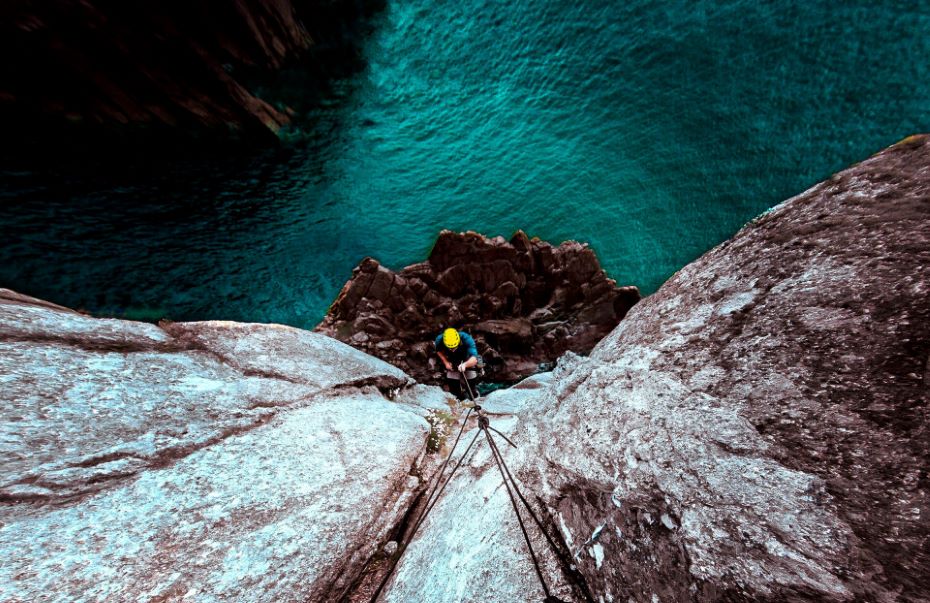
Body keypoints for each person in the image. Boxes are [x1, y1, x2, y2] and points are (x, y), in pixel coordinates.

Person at [434, 327, 479, 400]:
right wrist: (446, 362)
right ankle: (459, 397)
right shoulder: (439, 339)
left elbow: (474, 359)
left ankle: (473, 393)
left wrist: (465, 365)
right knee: (453, 382)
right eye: (450, 348)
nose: (452, 350)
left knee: (471, 380)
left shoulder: (467, 339)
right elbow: (438, 351)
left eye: (454, 347)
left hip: (467, 358)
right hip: (452, 359)